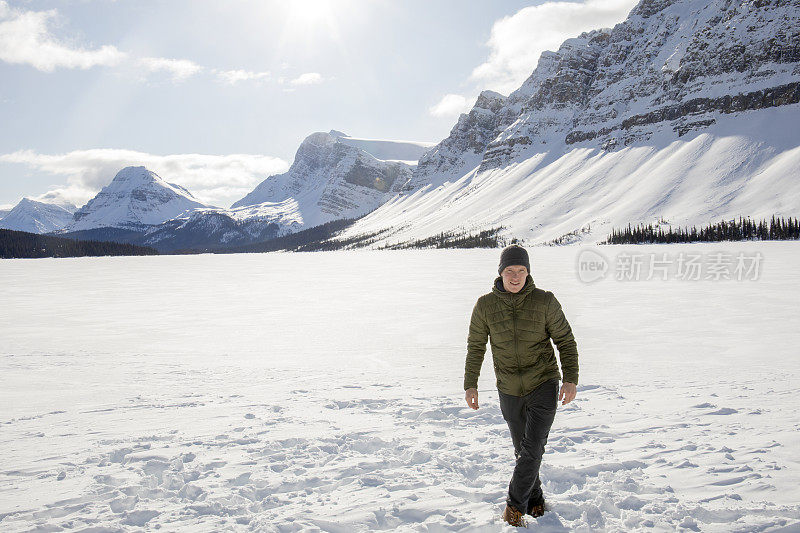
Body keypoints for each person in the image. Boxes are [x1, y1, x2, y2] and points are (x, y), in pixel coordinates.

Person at [463, 244, 579, 527]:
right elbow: (476, 347)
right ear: (501, 273)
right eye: (510, 271)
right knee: (523, 450)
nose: (515, 277)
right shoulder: (485, 306)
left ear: (528, 273)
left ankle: (514, 508)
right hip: (509, 388)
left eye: (521, 271)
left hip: (543, 382)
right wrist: (471, 384)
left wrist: (570, 378)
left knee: (532, 447)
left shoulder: (545, 301)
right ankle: (536, 500)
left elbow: (565, 340)